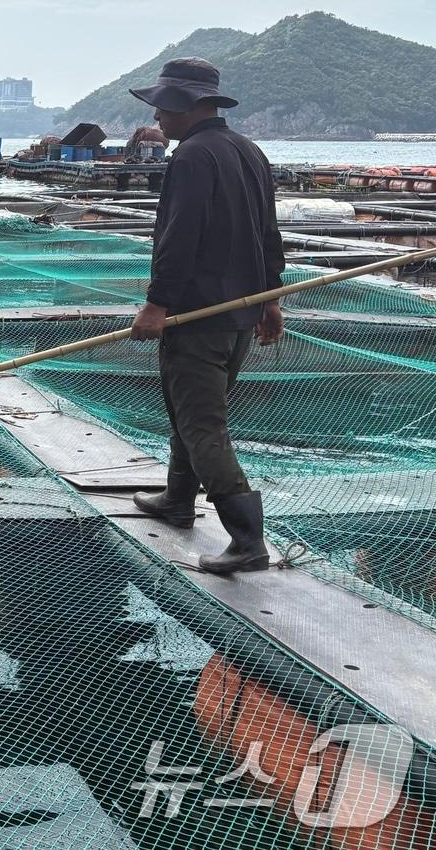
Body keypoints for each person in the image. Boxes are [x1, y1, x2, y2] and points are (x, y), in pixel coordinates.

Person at [126, 57, 284, 574]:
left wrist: (156, 303)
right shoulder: (248, 150)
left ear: (188, 105)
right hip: (238, 314)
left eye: (164, 109)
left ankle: (246, 538)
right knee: (187, 408)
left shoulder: (193, 157)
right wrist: (271, 300)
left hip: (198, 316)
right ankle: (177, 498)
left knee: (201, 421)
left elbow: (179, 238)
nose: (158, 121)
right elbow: (269, 234)